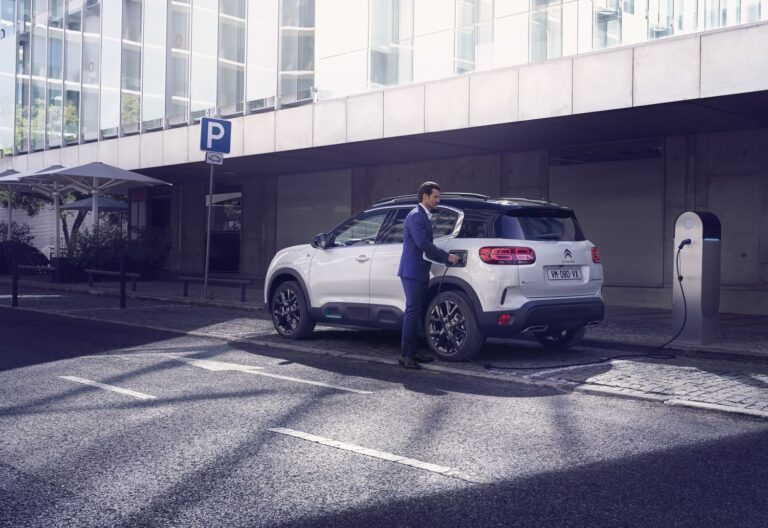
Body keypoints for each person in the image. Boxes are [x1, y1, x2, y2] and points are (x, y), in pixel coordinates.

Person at [397, 182, 459, 369]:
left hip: (420, 271)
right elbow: (423, 244)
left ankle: (413, 352)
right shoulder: (416, 216)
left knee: (416, 312)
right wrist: (446, 257)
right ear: (425, 196)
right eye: (435, 197)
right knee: (412, 312)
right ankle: (406, 356)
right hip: (412, 272)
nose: (438, 200)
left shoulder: (422, 215)